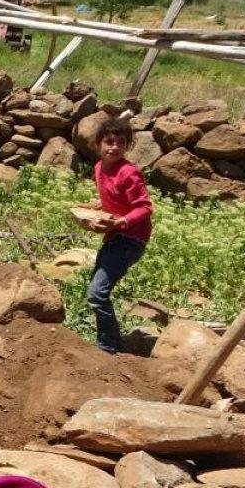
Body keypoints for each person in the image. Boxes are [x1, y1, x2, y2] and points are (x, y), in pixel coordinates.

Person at [77, 116, 153, 354]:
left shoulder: (129, 173)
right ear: (97, 144)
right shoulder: (99, 168)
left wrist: (120, 221)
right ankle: (110, 342)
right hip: (115, 236)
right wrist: (97, 206)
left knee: (97, 294)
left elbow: (145, 207)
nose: (115, 147)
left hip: (131, 239)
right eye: (109, 142)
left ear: (127, 145)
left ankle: (107, 348)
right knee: (97, 291)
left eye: (121, 142)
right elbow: (113, 198)